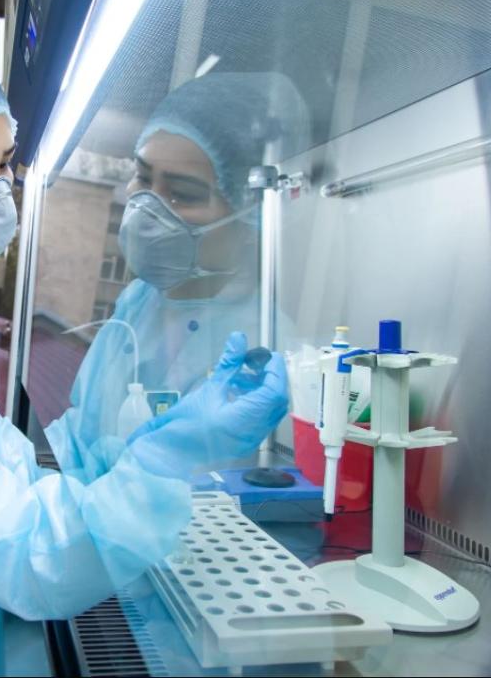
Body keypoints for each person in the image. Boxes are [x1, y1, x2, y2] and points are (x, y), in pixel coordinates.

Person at [44, 72, 309, 482]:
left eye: (181, 194)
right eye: (144, 178)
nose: (147, 205)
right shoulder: (137, 301)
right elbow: (81, 435)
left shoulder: (269, 353)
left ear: (251, 214)